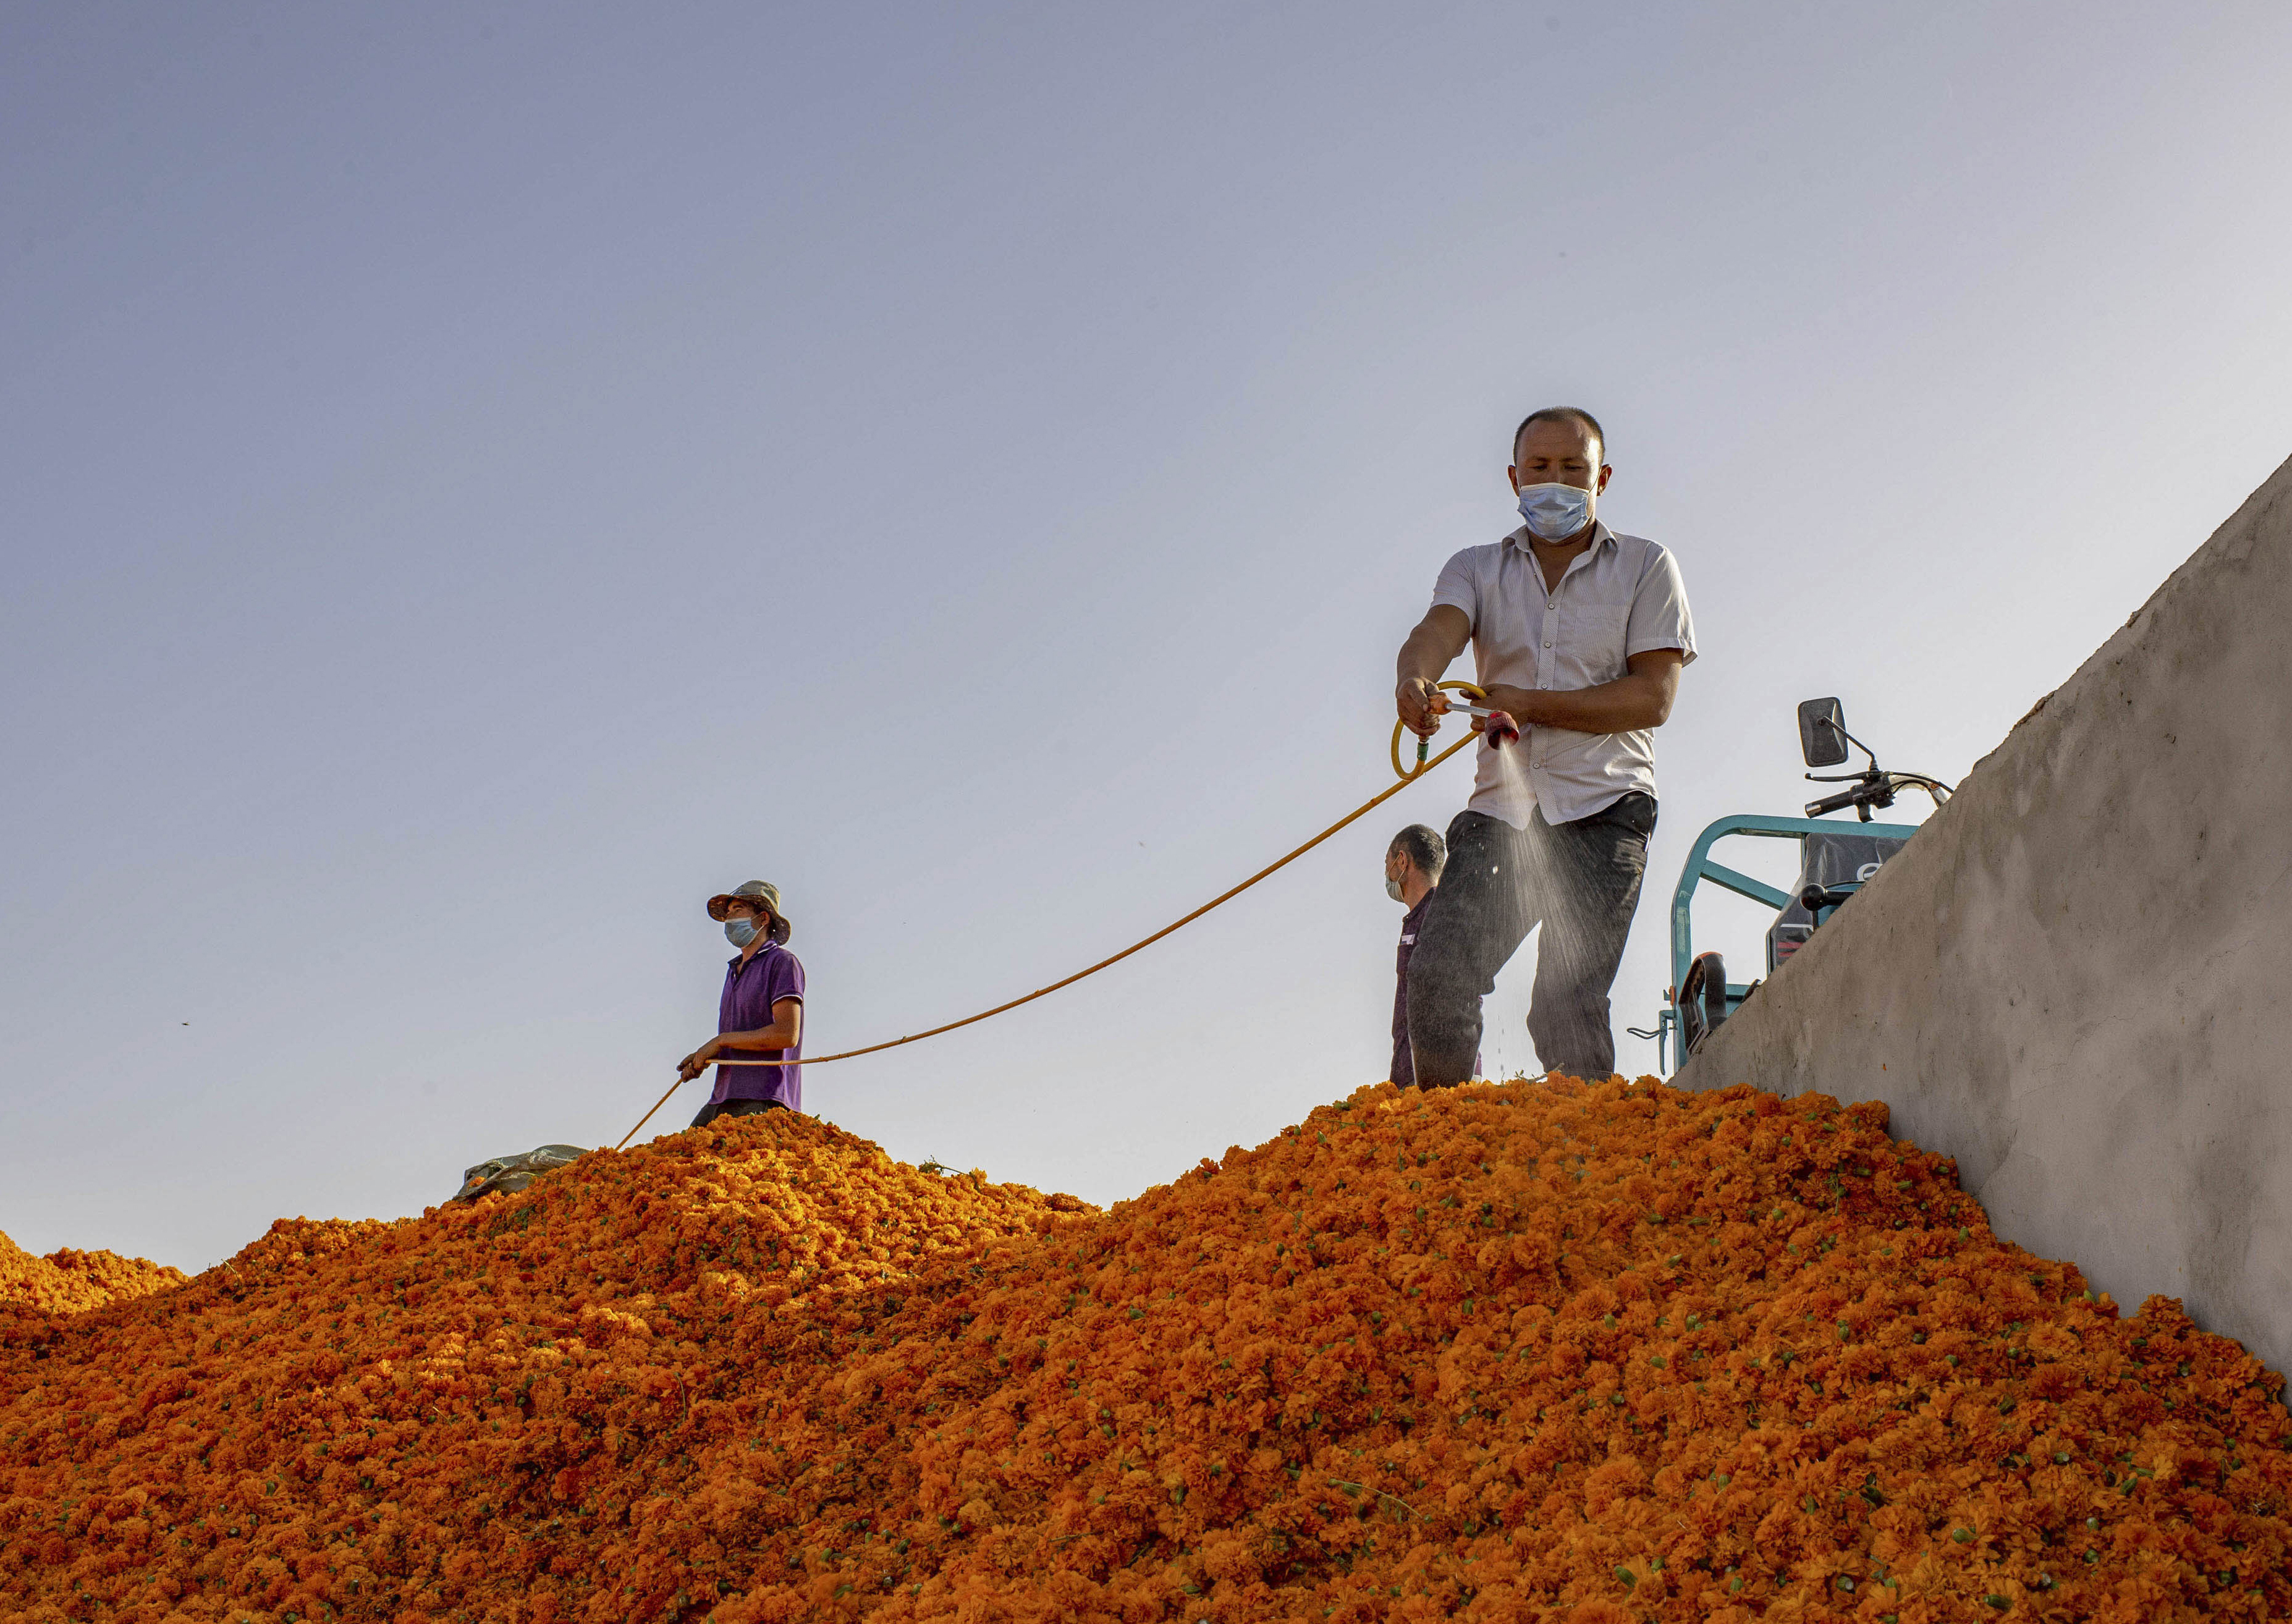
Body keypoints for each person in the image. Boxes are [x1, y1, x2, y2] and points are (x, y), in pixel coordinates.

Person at [1393, 407, 1695, 1084]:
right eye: (1539, 468)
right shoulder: (1475, 569)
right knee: (1437, 980)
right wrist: (1413, 677)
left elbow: (1653, 699)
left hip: (1606, 811)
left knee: (1563, 1007)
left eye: (1572, 468)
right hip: (1500, 815)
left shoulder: (1647, 567)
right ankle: (1448, 1145)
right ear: (1513, 478)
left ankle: (1585, 1168)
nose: (1554, 481)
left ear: (1602, 478)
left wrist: (1529, 705)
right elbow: (1435, 631)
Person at [677, 880, 805, 1127]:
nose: (729, 919)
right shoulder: (733, 971)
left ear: (763, 919)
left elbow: (787, 1035)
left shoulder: (782, 962)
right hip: (724, 1096)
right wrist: (705, 1055)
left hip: (764, 1097)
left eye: (738, 910)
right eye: (728, 914)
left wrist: (720, 1041)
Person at [1384, 823, 1448, 1089]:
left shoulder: (1440, 915)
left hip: (1435, 1077)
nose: (1387, 874)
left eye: (1387, 864)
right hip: (1410, 1072)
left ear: (1402, 861)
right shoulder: (1417, 917)